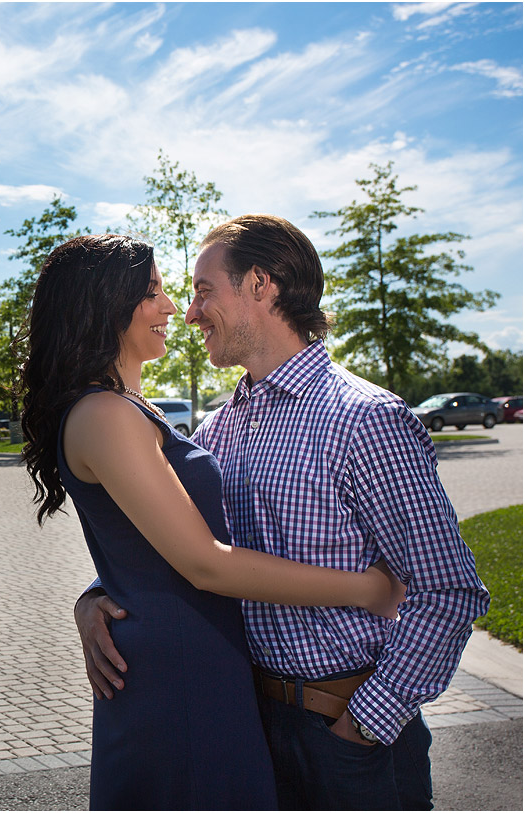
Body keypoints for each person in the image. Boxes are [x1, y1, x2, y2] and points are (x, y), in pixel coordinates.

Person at [74, 215, 490, 810]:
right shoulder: (218, 429)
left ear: (261, 285)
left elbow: (448, 590)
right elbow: (183, 541)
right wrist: (94, 597)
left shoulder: (366, 420)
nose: (189, 312)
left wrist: (366, 723)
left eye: (203, 289)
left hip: (348, 735)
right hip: (246, 729)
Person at [20, 233, 405, 810]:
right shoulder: (105, 414)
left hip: (212, 666)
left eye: (191, 290)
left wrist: (96, 594)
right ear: (104, 304)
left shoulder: (139, 413)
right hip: (180, 672)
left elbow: (157, 533)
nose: (176, 306)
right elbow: (203, 560)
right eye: (153, 290)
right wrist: (367, 588)